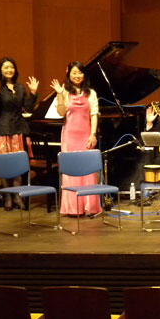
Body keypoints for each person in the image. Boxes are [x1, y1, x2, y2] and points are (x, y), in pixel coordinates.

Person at [0, 57, 39, 210]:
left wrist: (33, 93)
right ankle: (8, 197)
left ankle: (17, 196)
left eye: (12, 67)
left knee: (18, 166)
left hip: (18, 130)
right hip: (2, 130)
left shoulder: (20, 87)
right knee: (4, 166)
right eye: (6, 67)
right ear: (0, 70)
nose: (9, 70)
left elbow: (28, 108)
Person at [52, 62, 101, 216]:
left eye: (80, 72)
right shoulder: (65, 91)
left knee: (88, 170)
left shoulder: (91, 93)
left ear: (84, 75)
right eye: (74, 72)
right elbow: (61, 113)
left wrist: (93, 134)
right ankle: (73, 208)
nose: (77, 75)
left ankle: (90, 207)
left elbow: (94, 114)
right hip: (70, 136)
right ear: (69, 75)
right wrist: (59, 94)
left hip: (85, 135)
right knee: (71, 170)